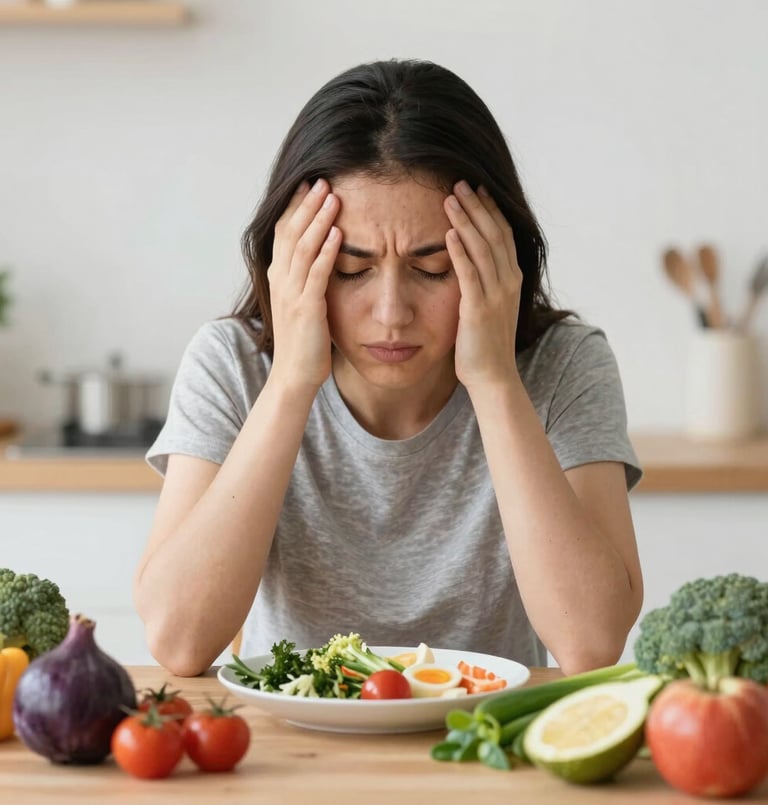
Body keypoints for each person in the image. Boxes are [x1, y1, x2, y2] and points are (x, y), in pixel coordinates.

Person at [134, 59, 644, 678]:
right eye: (351, 269)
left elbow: (591, 643)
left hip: (489, 750)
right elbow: (179, 639)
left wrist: (494, 381)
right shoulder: (231, 366)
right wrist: (293, 379)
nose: (391, 314)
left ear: (497, 256)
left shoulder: (565, 363)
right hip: (294, 751)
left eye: (433, 268)